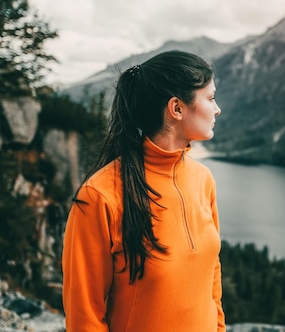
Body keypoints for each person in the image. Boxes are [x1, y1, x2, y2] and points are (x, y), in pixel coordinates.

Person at [62, 50, 224, 332]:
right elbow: (84, 317)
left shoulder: (203, 179)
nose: (217, 108)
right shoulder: (99, 196)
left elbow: (212, 275)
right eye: (210, 98)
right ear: (176, 108)